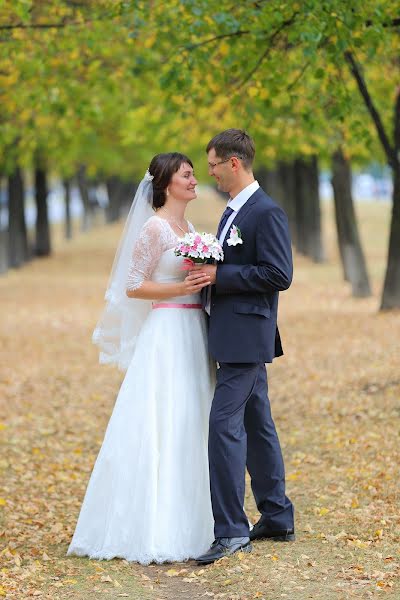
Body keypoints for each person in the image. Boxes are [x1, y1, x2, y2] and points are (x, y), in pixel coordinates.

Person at [67, 153, 215, 564]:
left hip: (194, 331)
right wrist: (182, 287)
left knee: (191, 416)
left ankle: (198, 520)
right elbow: (133, 285)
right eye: (187, 174)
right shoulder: (154, 227)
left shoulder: (190, 228)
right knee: (162, 416)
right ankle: (153, 525)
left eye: (194, 173)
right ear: (168, 183)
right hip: (167, 330)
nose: (194, 179)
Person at [194, 130, 295, 564]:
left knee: (224, 426)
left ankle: (232, 531)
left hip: (246, 339)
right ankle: (276, 515)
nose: (210, 173)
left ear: (235, 163)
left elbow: (279, 274)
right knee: (258, 425)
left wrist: (221, 277)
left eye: (214, 164)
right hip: (235, 335)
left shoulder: (264, 212)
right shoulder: (234, 212)